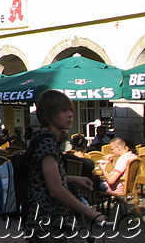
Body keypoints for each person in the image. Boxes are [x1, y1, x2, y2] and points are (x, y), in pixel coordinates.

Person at [24, 90, 101, 241]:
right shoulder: (47, 144)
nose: (70, 114)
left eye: (70, 110)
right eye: (63, 110)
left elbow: (44, 178)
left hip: (45, 222)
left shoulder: (43, 139)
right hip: (49, 224)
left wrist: (72, 179)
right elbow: (55, 190)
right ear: (47, 116)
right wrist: (90, 212)